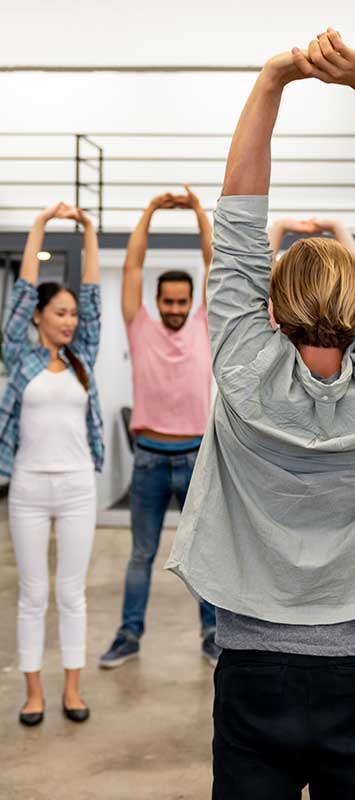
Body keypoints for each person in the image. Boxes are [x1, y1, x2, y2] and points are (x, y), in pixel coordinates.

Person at [165, 29, 355, 799]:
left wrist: (272, 81)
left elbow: (234, 232)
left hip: (252, 673)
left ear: (270, 309)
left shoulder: (240, 372)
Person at [98, 186, 219, 668]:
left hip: (197, 456)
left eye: (180, 301)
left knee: (204, 555)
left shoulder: (204, 324)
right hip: (149, 458)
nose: (173, 308)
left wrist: (196, 214)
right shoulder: (140, 325)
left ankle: (213, 634)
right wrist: (148, 210)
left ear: (191, 301)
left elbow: (216, 265)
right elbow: (131, 266)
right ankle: (129, 635)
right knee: (141, 555)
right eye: (166, 301)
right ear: (156, 300)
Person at [0, 203, 103, 725]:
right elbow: (20, 293)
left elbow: (93, 293)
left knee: (71, 592)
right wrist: (40, 224)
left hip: (78, 486)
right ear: (38, 316)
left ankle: (73, 689)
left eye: (73, 314)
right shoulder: (20, 355)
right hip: (28, 488)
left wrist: (87, 230)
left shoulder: (84, 354)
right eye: (60, 312)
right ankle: (34, 692)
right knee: (33, 593)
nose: (70, 320)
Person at [269, 216, 355, 260]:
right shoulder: (344, 296)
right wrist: (337, 227)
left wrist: (279, 227)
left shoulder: (280, 296)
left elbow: (264, 273)